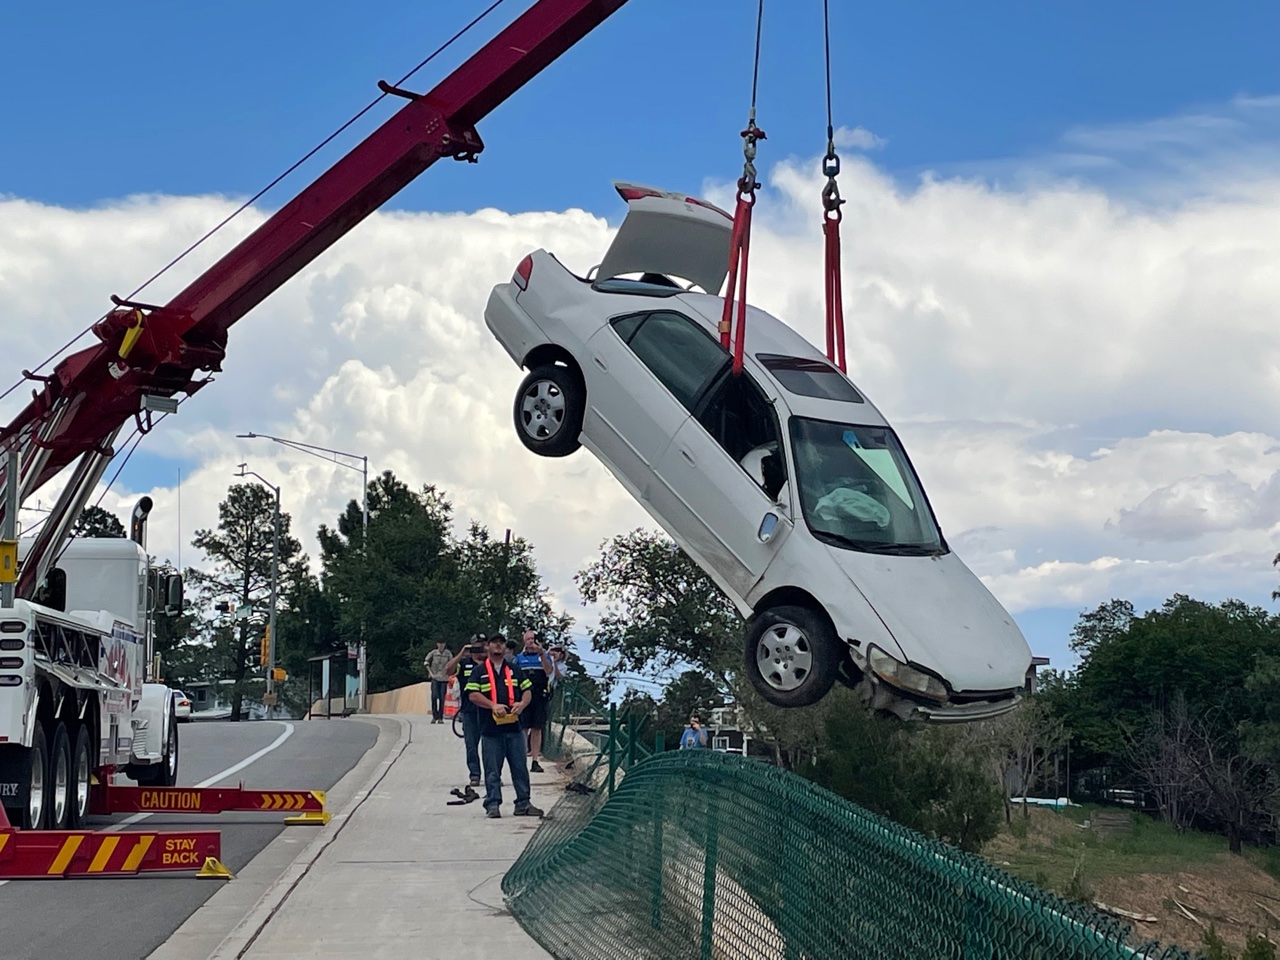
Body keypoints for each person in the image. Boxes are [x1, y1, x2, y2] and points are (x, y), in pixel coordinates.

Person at [465, 634, 544, 819]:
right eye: (495, 643)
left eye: (501, 643)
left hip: (515, 729)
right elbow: (472, 695)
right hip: (490, 729)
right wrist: (492, 705)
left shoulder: (514, 670)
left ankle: (523, 804)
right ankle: (493, 804)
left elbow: (527, 691)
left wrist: (522, 705)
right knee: (492, 770)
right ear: (488, 647)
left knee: (520, 768)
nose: (498, 646)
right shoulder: (480, 671)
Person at [448, 638, 488, 786]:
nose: (480, 650)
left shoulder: (490, 664)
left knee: (490, 746)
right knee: (471, 745)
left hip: (488, 710)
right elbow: (448, 671)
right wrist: (461, 653)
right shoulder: (464, 664)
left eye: (482, 647)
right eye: (476, 647)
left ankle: (492, 774)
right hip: (469, 711)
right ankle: (475, 774)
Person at [513, 630, 554, 773]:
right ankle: (522, 758)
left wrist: (541, 653)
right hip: (523, 695)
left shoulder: (545, 656)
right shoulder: (518, 658)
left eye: (533, 639)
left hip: (539, 695)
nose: (531, 641)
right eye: (528, 639)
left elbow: (549, 671)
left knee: (537, 727)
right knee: (523, 727)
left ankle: (535, 760)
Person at [423, 641, 453, 724]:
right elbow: (426, 662)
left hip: (444, 678)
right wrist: (430, 673)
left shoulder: (448, 653)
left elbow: (452, 663)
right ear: (437, 644)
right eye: (439, 644)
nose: (441, 645)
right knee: (434, 697)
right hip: (435, 677)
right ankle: (434, 716)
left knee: (442, 698)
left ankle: (440, 717)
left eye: (443, 644)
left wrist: (449, 672)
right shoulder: (433, 653)